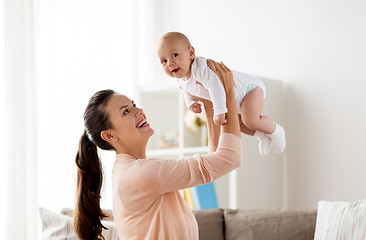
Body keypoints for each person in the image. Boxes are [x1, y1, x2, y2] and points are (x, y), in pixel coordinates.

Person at [74, 60, 242, 240]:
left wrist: (210, 105)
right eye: (126, 112)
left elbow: (216, 160)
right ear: (109, 136)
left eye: (133, 104)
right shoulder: (143, 174)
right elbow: (229, 158)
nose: (139, 111)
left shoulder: (134, 172)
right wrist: (228, 93)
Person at [157, 31, 286, 155]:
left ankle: (276, 131)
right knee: (238, 123)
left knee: (250, 120)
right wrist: (191, 103)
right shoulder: (181, 80)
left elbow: (215, 86)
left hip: (249, 90)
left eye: (174, 55)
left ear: (191, 53)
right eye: (164, 61)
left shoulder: (200, 68)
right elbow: (187, 91)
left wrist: (219, 111)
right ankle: (262, 135)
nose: (170, 63)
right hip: (235, 100)